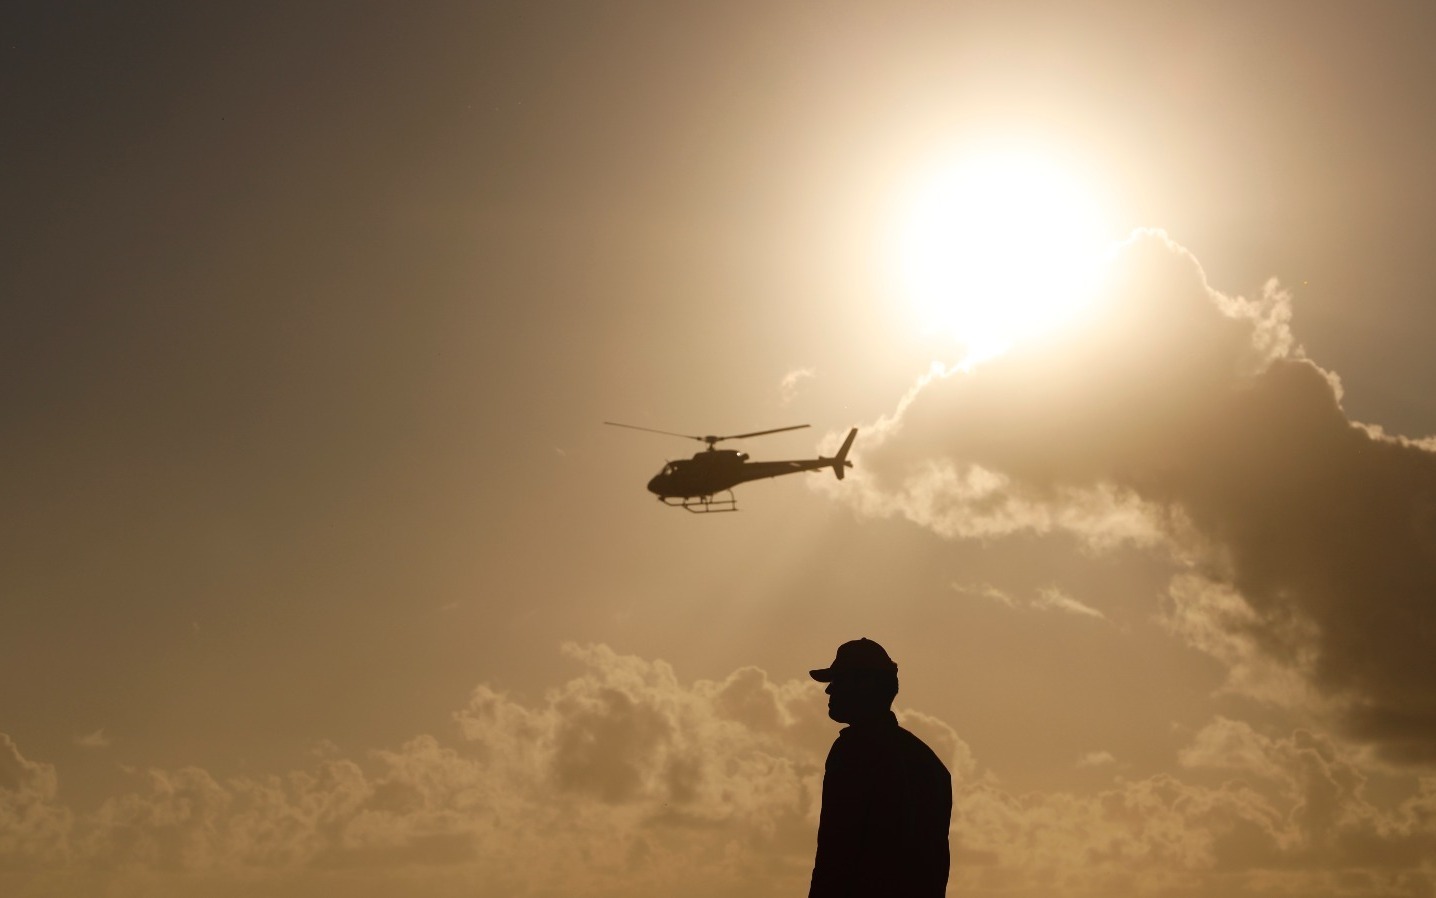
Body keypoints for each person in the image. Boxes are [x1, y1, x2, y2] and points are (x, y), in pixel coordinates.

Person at [808, 638, 952, 898]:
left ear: (864, 686)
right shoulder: (929, 763)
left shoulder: (854, 751)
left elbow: (837, 851)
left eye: (838, 680)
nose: (829, 690)